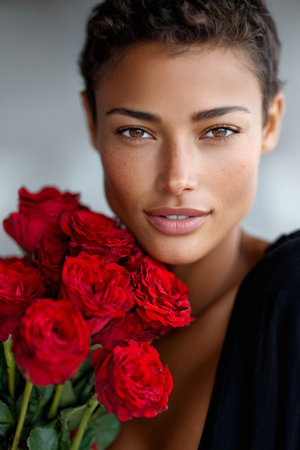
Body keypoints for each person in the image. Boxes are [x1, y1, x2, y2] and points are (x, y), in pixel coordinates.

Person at [78, 0, 300, 449]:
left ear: (270, 123)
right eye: (135, 132)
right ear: (92, 121)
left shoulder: (294, 298)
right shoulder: (48, 310)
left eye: (218, 130)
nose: (177, 178)